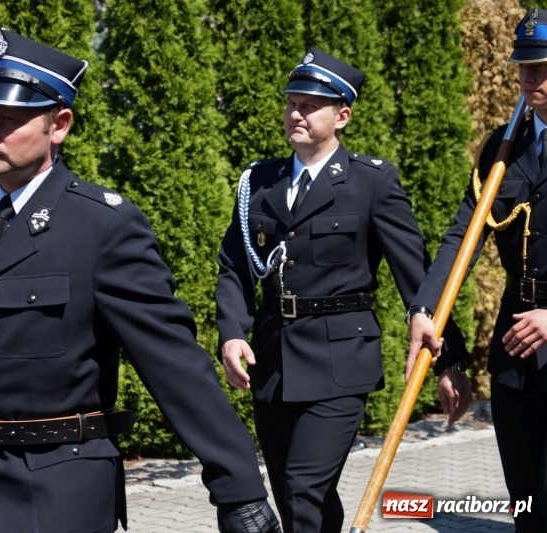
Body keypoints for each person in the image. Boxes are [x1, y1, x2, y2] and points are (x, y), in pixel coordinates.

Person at [0, 28, 281, 533]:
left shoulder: (103, 227)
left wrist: (238, 490)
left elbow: (173, 364)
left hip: (61, 491)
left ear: (58, 125)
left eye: (7, 120)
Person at [215, 47, 470, 532]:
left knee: (304, 487)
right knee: (297, 497)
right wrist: (231, 332)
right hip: (273, 363)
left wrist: (451, 360)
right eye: (292, 102)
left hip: (340, 362)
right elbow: (234, 266)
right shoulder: (259, 183)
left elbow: (416, 277)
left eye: (310, 105)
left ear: (343, 116)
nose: (296, 113)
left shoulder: (370, 183)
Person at [408, 8, 547, 531]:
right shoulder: (501, 148)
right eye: (524, 67)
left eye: (542, 67)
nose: (529, 78)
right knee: (526, 500)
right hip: (516, 346)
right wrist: (426, 310)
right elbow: (460, 238)